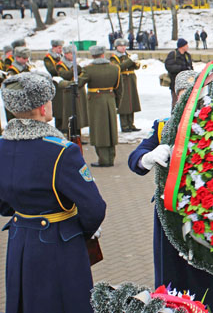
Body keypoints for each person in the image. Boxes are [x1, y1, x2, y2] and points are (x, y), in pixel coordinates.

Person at [0, 72, 106, 313]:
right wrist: (77, 230)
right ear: (41, 107)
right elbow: (94, 208)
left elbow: (3, 204)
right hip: (59, 242)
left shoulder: (2, 146)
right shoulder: (60, 151)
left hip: (19, 241)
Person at [127, 70, 213, 311]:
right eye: (183, 96)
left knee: (206, 280)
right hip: (170, 217)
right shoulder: (163, 126)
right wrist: (147, 158)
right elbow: (135, 159)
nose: (188, 103)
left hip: (206, 218)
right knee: (172, 281)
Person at [77, 45, 122, 167]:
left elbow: (79, 83)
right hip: (110, 99)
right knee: (110, 128)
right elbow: (119, 88)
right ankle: (111, 157)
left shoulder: (89, 69)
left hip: (95, 102)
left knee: (99, 130)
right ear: (103, 54)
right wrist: (116, 103)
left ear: (92, 55)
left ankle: (103, 159)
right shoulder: (115, 68)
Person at [110, 38, 141, 132]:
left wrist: (136, 63)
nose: (123, 48)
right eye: (121, 46)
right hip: (122, 80)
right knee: (124, 103)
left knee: (132, 102)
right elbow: (118, 67)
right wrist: (130, 61)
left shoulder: (128, 55)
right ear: (116, 47)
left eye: (124, 46)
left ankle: (131, 124)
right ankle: (124, 125)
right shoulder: (114, 57)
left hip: (131, 79)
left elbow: (136, 66)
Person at [56, 45, 89, 134]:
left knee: (79, 114)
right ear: (66, 54)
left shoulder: (75, 64)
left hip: (77, 90)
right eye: (71, 54)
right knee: (70, 113)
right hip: (68, 91)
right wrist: (76, 69)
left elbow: (82, 75)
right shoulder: (60, 65)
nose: (73, 56)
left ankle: (78, 133)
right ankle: (71, 133)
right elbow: (65, 75)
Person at [165, 38, 192, 108]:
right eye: (186, 45)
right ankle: (174, 117)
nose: (187, 46)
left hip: (186, 83)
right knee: (176, 102)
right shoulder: (173, 54)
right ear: (182, 46)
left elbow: (190, 66)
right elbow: (169, 66)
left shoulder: (187, 55)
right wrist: (181, 68)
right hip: (175, 82)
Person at [44, 39, 65, 131]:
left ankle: (65, 127)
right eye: (59, 48)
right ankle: (59, 128)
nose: (61, 50)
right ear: (54, 48)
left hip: (63, 82)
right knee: (58, 107)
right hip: (56, 83)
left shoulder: (61, 56)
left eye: (61, 48)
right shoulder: (49, 58)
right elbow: (52, 70)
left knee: (65, 106)